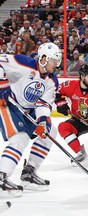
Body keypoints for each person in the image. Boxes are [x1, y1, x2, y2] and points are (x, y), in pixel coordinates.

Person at [0, 42, 62, 196]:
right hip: (6, 104)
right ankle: (1, 176)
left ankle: (29, 173)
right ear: (43, 59)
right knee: (20, 138)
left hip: (28, 109)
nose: (56, 64)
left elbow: (43, 103)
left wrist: (42, 120)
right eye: (54, 61)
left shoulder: (52, 80)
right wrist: (3, 84)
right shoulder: (23, 63)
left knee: (49, 132)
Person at [55, 64, 88, 163]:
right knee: (63, 127)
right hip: (78, 120)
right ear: (82, 76)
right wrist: (61, 104)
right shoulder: (70, 86)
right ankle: (80, 153)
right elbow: (57, 91)